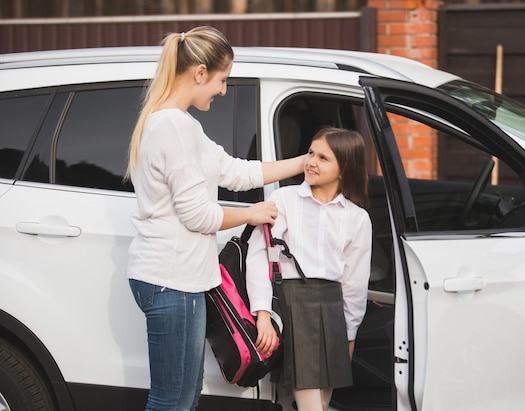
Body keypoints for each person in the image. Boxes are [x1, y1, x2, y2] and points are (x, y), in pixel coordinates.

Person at [124, 26, 306, 411]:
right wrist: (251, 213)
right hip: (170, 281)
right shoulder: (171, 126)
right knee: (172, 400)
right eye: (222, 80)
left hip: (178, 279)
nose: (223, 90)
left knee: (184, 397)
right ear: (200, 72)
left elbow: (237, 172)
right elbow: (196, 215)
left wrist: (304, 163)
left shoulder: (183, 125)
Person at [246, 127, 373, 411]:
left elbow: (354, 283)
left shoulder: (357, 218)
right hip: (294, 305)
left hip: (332, 308)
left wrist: (349, 334)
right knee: (311, 405)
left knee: (321, 402)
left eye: (324, 158)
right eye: (311, 153)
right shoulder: (285, 200)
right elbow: (258, 258)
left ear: (345, 168)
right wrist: (262, 314)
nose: (312, 162)